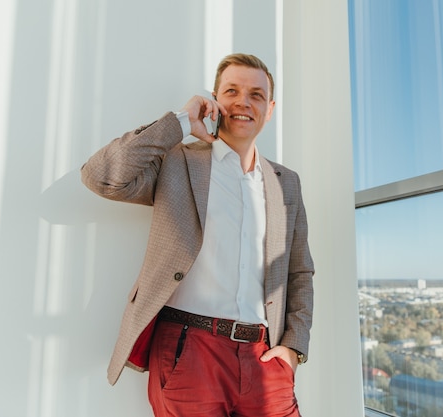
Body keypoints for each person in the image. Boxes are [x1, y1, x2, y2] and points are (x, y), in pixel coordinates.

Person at [81, 53, 314, 417]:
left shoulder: (287, 184)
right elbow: (102, 176)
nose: (243, 101)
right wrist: (181, 122)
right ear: (215, 101)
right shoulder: (178, 162)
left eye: (255, 94)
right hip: (188, 350)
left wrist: (294, 348)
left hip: (264, 357)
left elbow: (299, 272)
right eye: (232, 90)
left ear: (269, 110)